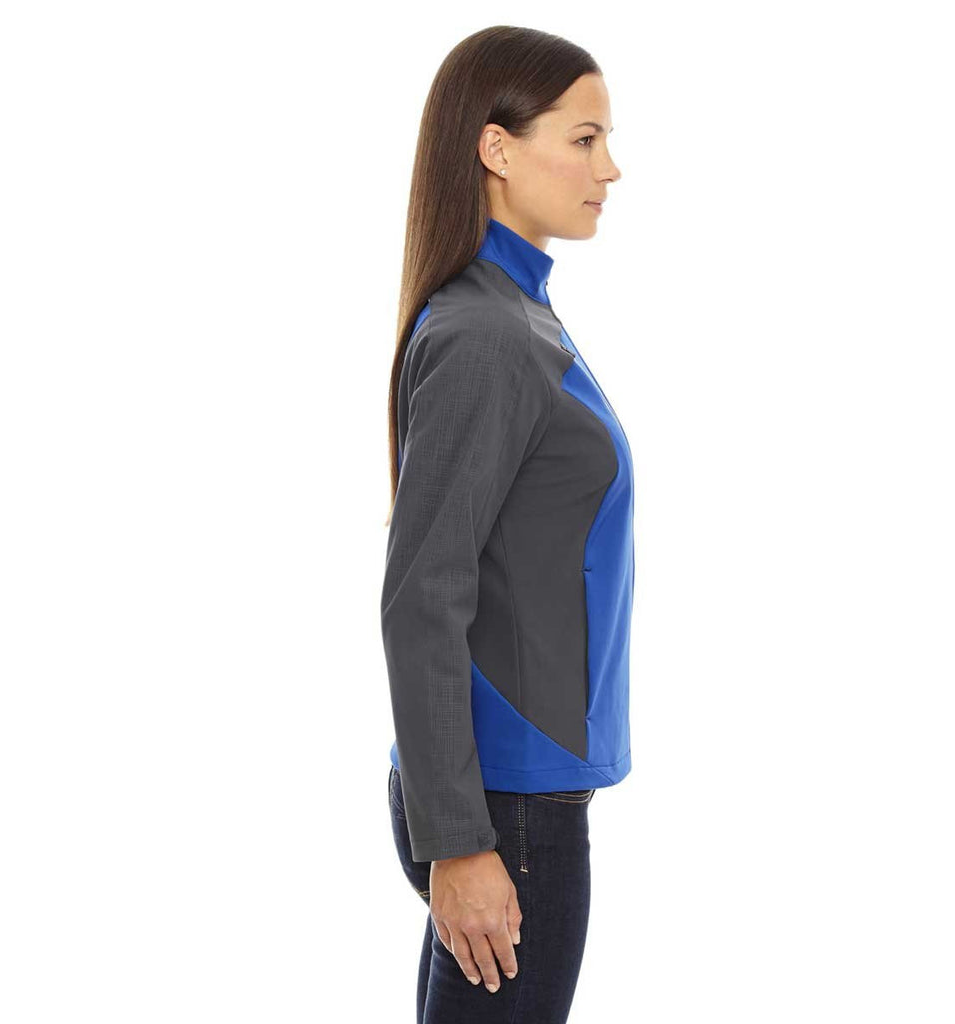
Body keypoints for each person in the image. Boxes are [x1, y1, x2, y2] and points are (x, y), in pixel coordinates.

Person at [380, 25, 633, 1023]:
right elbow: (421, 597)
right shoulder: (487, 332)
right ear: (496, 148)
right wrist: (458, 842)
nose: (609, 169)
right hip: (503, 809)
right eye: (584, 139)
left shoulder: (513, 311)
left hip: (511, 797)